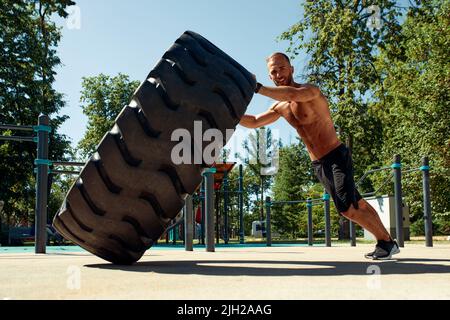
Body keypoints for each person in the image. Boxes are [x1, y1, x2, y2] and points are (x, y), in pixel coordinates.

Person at [239, 52, 399, 260]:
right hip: (319, 164)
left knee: (348, 208)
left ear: (292, 69)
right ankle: (387, 243)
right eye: (273, 72)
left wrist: (258, 88)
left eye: (282, 68)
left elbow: (293, 95)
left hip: (336, 155)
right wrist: (228, 114)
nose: (278, 74)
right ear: (270, 76)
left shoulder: (310, 91)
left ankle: (386, 242)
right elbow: (254, 121)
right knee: (355, 204)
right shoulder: (279, 106)